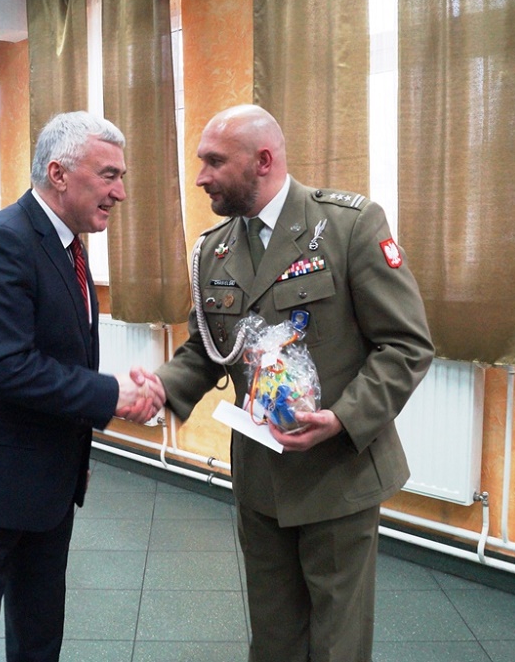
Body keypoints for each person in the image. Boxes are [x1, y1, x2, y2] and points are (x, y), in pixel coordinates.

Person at [146, 104, 434, 662]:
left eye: (214, 162)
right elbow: (208, 349)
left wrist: (344, 418)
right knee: (273, 634)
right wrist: (160, 388)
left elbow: (406, 344)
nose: (201, 177)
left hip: (337, 471)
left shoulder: (349, 226)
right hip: (260, 477)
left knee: (337, 642)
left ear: (263, 160)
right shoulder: (213, 250)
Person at [0, 111, 161, 662]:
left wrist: (74, 450)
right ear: (59, 173)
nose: (120, 192)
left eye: (122, 177)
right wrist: (110, 396)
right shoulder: (2, 242)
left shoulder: (69, 245)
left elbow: (60, 353)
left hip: (45, 485)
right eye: (109, 175)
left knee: (40, 637)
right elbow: (6, 369)